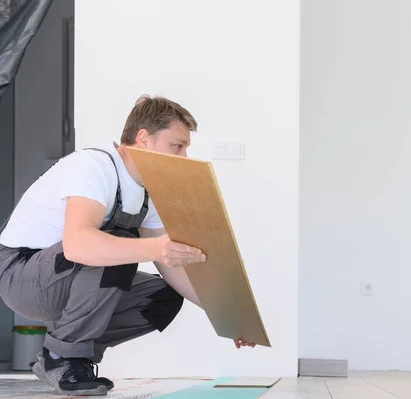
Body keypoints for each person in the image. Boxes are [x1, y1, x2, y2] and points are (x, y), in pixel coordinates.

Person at [0, 95, 255, 396]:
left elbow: (171, 269)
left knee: (164, 298)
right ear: (144, 138)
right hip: (21, 276)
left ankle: (68, 357)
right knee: (119, 243)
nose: (184, 156)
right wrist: (154, 248)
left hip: (65, 277)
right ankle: (63, 357)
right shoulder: (94, 167)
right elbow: (78, 245)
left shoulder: (149, 192)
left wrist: (227, 316)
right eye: (177, 146)